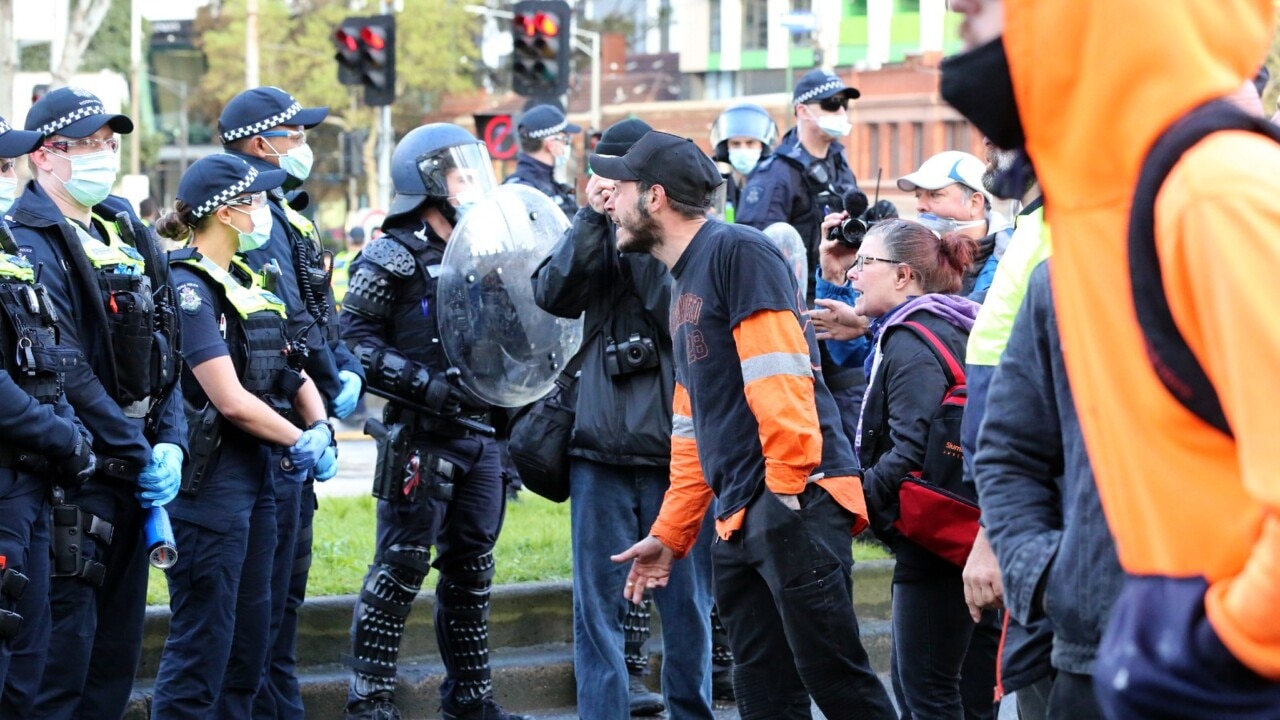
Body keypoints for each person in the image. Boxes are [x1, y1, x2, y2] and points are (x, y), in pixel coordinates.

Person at [945, 0, 1280, 713]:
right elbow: (1013, 447)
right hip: (1125, 654)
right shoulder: (1103, 219)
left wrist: (1224, 642)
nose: (957, 4)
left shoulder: (1215, 192)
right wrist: (1063, 582)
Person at [604, 131, 895, 720]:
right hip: (742, 515)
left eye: (621, 187)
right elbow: (693, 431)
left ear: (655, 197)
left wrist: (784, 496)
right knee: (764, 696)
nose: (608, 198)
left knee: (839, 684)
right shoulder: (683, 282)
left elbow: (780, 378)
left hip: (793, 501)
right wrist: (672, 533)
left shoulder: (739, 252)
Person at [340, 123, 528, 720]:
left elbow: (515, 336)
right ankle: (369, 703)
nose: (471, 183)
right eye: (459, 173)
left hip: (483, 440)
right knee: (399, 569)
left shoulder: (486, 249)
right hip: (420, 436)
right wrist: (429, 388)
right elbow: (355, 346)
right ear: (426, 182)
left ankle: (471, 702)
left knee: (473, 573)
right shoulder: (389, 254)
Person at [10, 86, 187, 720]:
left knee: (114, 664)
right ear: (45, 157)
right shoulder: (27, 237)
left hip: (134, 473)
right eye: (86, 144)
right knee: (65, 669)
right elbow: (65, 365)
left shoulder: (122, 222)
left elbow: (169, 340)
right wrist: (137, 451)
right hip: (79, 479)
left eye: (108, 144)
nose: (102, 155)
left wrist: (171, 437)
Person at [531, 118, 715, 720]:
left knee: (688, 606)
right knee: (597, 608)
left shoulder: (679, 234)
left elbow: (677, 309)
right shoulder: (595, 227)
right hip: (599, 447)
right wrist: (592, 220)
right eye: (599, 179)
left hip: (675, 449)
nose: (608, 189)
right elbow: (553, 293)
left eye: (620, 181)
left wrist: (637, 231)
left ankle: (693, 710)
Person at [149, 153, 337, 718]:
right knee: (204, 647)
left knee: (251, 645)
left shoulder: (246, 282)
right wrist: (296, 438)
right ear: (228, 212)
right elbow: (229, 399)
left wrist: (322, 423)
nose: (266, 211)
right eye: (257, 199)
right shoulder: (188, 287)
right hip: (210, 492)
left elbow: (288, 367)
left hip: (256, 485)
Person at [217, 85, 365, 719]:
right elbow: (292, 328)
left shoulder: (283, 211)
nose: (303, 146)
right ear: (260, 145)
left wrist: (346, 369)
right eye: (295, 135)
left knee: (281, 613)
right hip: (271, 439)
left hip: (297, 430)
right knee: (260, 621)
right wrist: (328, 392)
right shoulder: (254, 221)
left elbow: (321, 317)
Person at [840, 217, 999, 720]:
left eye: (865, 263)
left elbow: (908, 453)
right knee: (974, 695)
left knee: (924, 693)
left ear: (904, 275)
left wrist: (851, 499)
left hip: (933, 544)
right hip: (977, 529)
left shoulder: (910, 340)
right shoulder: (959, 321)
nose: (854, 274)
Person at [974, 261, 1123, 720]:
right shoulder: (1064, 276)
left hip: (1251, 646)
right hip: (1092, 643)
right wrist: (1041, 573)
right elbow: (1010, 449)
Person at [0, 117, 97, 717]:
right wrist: (64, 435)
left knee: (28, 661)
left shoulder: (7, 250)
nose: (5, 175)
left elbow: (43, 356)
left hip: (31, 485)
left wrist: (72, 429)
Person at [958, 139, 1053, 717]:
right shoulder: (1034, 227)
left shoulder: (1062, 236)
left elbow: (1040, 414)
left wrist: (992, 536)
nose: (986, 144)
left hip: (1040, 530)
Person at [738, 69, 860, 302]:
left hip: (845, 291)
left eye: (844, 104)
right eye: (832, 104)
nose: (842, 111)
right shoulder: (776, 174)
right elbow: (754, 252)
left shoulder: (839, 163)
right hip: (799, 301)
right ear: (803, 111)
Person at [897, 150, 1008, 301]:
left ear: (974, 203)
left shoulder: (1012, 256)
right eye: (918, 196)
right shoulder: (914, 257)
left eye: (935, 194)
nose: (920, 206)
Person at [504, 104, 580, 217]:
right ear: (550, 144)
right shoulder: (524, 192)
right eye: (565, 139)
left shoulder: (550, 186)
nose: (567, 145)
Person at [708, 102, 778, 220]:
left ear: (762, 146)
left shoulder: (776, 183)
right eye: (736, 144)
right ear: (726, 147)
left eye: (750, 143)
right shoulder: (714, 184)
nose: (743, 149)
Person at [332, 225, 367, 310]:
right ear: (364, 240)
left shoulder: (339, 257)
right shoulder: (364, 259)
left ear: (349, 239)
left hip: (335, 305)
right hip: (353, 307)